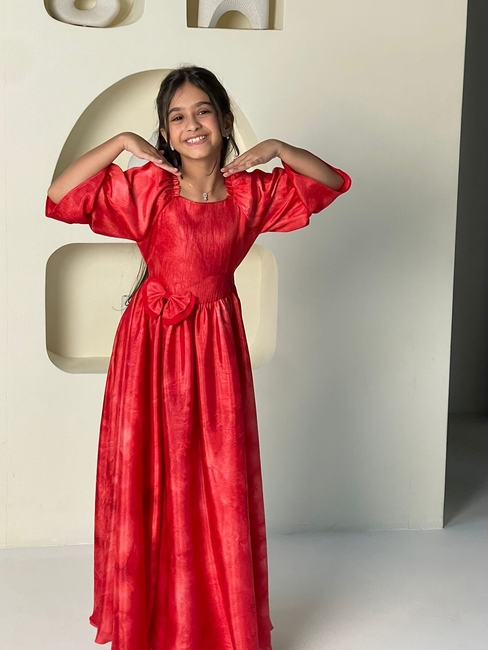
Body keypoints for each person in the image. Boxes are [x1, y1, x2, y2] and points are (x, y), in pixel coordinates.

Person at [46, 66, 351, 650]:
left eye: (203, 111)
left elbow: (332, 181)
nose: (192, 125)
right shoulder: (148, 190)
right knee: (151, 475)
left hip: (216, 351)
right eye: (177, 117)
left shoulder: (250, 195)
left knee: (216, 479)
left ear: (224, 121)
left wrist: (277, 148)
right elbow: (60, 195)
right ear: (165, 132)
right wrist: (121, 143)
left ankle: (214, 617)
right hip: (150, 349)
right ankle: (150, 616)